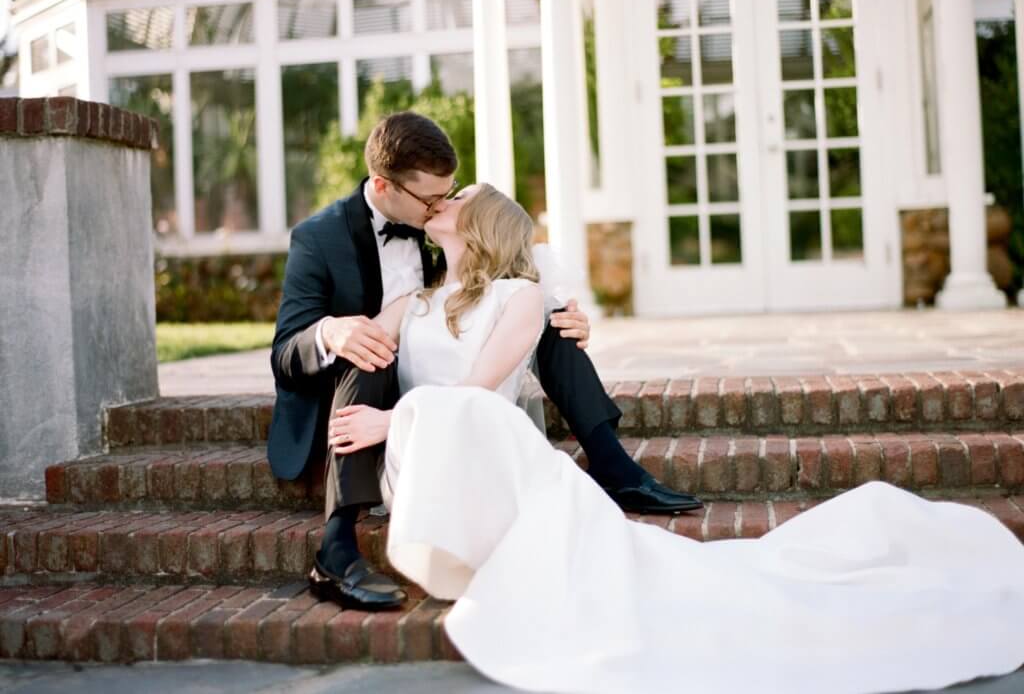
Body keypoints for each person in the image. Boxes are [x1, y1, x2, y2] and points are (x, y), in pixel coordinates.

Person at [337, 183, 1024, 694]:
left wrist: (391, 420)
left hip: (488, 449)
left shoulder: (519, 297)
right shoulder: (412, 302)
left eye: (460, 196)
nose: (443, 199)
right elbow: (361, 351)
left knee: (486, 425)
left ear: (484, 223)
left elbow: (480, 394)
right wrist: (343, 345)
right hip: (430, 453)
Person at [267, 112, 701, 612]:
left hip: (451, 389)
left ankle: (612, 464)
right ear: (385, 186)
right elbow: (285, 354)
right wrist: (331, 331)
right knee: (368, 347)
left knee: (549, 315)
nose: (440, 206)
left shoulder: (448, 232)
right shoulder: (319, 238)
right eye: (432, 200)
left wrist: (567, 315)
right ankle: (337, 544)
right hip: (368, 387)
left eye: (449, 195)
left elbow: (501, 273)